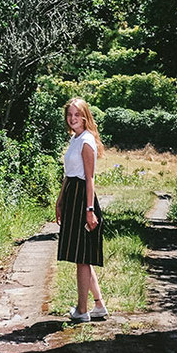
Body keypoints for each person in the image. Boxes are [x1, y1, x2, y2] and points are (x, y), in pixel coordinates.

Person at [54, 96, 108, 323]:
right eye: (70, 115)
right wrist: (59, 200)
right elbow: (68, 174)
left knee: (82, 258)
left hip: (82, 199)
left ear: (85, 117)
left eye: (77, 115)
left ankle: (82, 310)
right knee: (81, 256)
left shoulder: (87, 141)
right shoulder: (75, 139)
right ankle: (99, 306)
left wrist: (89, 209)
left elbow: (89, 179)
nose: (73, 118)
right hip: (71, 196)